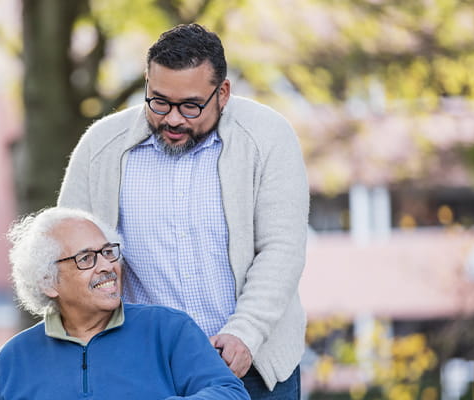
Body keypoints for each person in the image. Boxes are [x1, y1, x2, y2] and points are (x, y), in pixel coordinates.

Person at [57, 23, 309, 399]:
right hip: (143, 370)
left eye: (190, 106)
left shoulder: (269, 138)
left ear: (222, 92)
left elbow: (282, 249)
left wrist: (246, 332)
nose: (173, 119)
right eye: (159, 101)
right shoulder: (100, 148)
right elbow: (66, 253)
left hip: (251, 363)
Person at [0, 207, 250, 400]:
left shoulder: (167, 329)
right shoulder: (14, 358)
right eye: (86, 258)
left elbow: (231, 393)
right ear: (48, 282)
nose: (106, 266)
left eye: (108, 252)